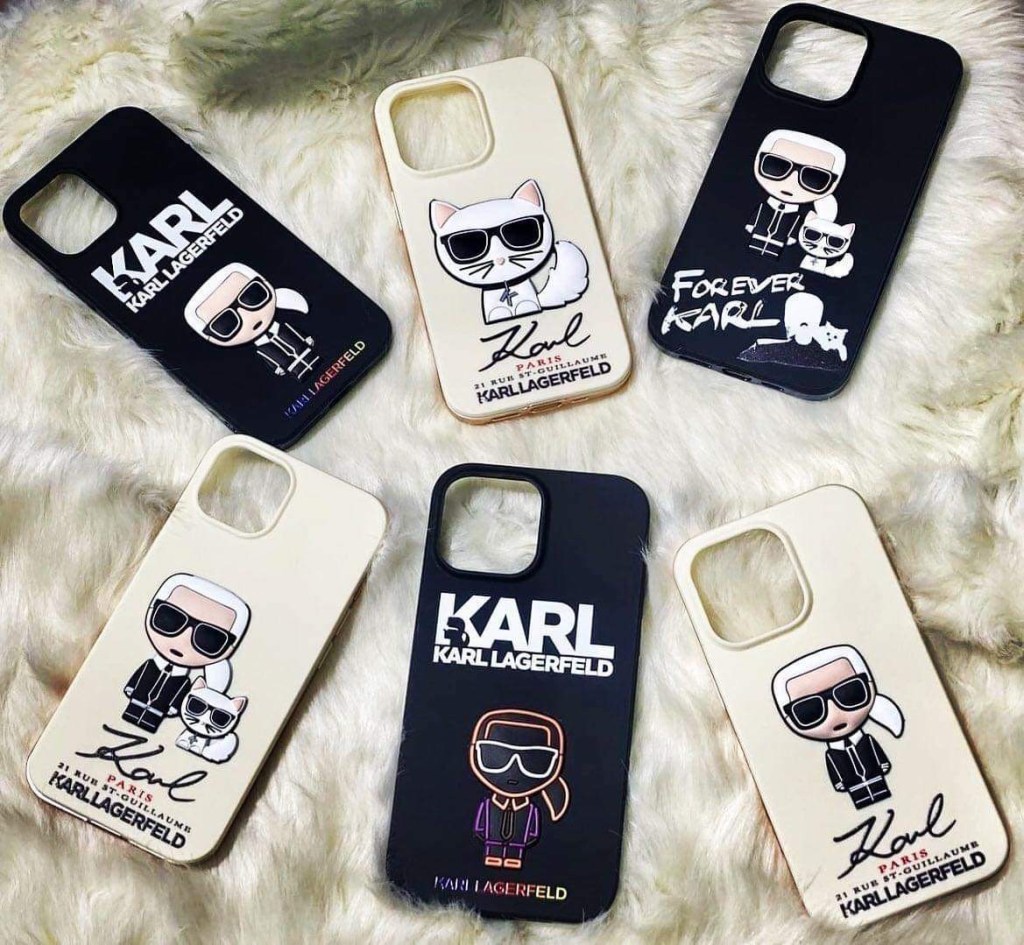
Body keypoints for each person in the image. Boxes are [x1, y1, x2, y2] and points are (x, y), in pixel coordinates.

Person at [772, 645, 905, 809]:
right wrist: (838, 782)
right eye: (809, 710)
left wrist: (883, 764)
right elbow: (833, 767)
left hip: (876, 777)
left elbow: (876, 752)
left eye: (850, 693)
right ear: (789, 718)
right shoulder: (832, 753)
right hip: (854, 786)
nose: (834, 714)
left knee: (880, 791)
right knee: (861, 798)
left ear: (869, 686)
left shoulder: (866, 740)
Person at [122, 573, 250, 733]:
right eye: (170, 619)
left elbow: (179, 694)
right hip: (136, 701)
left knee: (150, 721)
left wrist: (174, 708)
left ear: (229, 647)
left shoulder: (183, 680)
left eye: (208, 638)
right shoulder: (151, 665)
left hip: (158, 712)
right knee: (132, 712)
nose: (183, 639)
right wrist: (130, 688)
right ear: (152, 609)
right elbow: (140, 676)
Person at [469, 708, 570, 869]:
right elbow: (480, 825)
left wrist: (528, 838)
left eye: (535, 760)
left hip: (518, 847)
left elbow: (533, 829)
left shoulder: (530, 810)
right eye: (494, 754)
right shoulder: (489, 805)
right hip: (492, 843)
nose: (514, 768)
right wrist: (483, 833)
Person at [184, 262, 318, 379]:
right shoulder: (263, 348)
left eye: (252, 297)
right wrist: (277, 367)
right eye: (225, 324)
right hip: (296, 370)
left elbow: (293, 332)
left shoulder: (283, 328)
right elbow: (269, 357)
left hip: (310, 355)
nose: (247, 317)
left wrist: (305, 338)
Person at [746, 129, 846, 258]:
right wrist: (751, 225)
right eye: (777, 166)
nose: (791, 181)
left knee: (772, 251)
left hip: (778, 243)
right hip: (756, 237)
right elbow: (758, 214)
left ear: (833, 183)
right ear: (758, 161)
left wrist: (792, 237)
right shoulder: (765, 206)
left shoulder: (796, 215)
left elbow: (794, 225)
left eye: (814, 177)